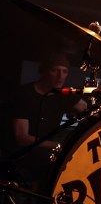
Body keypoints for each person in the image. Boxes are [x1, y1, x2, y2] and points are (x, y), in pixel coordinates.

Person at [9, 52, 87, 185]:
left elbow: (89, 110)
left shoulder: (63, 95)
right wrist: (58, 145)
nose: (60, 76)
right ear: (44, 72)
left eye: (64, 71)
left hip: (44, 159)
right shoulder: (25, 94)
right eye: (54, 70)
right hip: (19, 159)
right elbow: (22, 138)